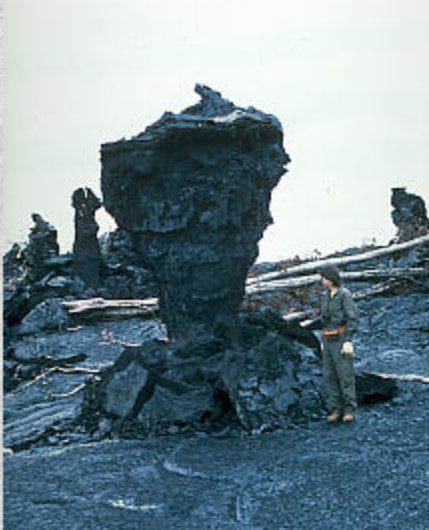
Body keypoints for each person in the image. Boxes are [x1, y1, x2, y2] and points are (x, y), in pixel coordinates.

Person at [319, 266, 358, 423]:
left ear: (331, 279)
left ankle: (349, 409)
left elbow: (352, 318)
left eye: (324, 278)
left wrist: (348, 340)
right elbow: (323, 320)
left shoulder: (344, 295)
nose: (322, 281)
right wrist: (322, 340)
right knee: (330, 375)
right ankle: (336, 409)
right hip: (327, 339)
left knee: (345, 374)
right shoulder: (324, 296)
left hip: (341, 338)